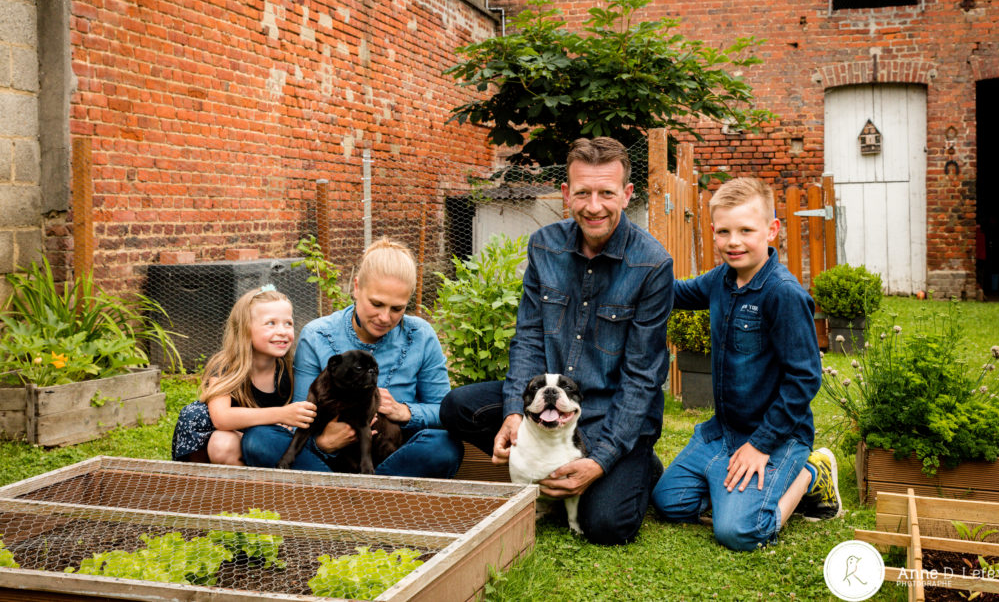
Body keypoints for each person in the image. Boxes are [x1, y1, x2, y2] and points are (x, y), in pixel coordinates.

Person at [441, 136, 675, 546]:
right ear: (566, 193)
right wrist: (514, 413)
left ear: (627, 194)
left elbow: (642, 379)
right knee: (458, 408)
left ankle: (636, 464)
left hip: (609, 414)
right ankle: (547, 457)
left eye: (607, 193)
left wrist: (599, 462)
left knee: (606, 526)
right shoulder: (544, 245)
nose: (594, 205)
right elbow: (529, 338)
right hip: (548, 403)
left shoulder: (652, 264)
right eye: (582, 192)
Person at [650, 177, 842, 551]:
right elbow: (675, 293)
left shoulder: (783, 294)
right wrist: (630, 276)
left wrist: (762, 444)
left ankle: (808, 473)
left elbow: (804, 378)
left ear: (772, 231)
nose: (733, 241)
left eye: (746, 230)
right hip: (725, 431)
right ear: (713, 233)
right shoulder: (723, 278)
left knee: (739, 532)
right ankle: (731, 480)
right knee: (668, 503)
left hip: (776, 436)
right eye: (724, 231)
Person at [241, 237, 463, 478]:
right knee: (258, 439)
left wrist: (405, 411)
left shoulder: (420, 335)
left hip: (395, 456)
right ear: (357, 288)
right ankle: (370, 499)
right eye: (376, 304)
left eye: (397, 308)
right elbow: (303, 414)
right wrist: (324, 443)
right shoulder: (318, 336)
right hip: (328, 459)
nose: (385, 317)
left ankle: (350, 497)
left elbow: (444, 412)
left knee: (444, 445)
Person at [172, 286, 315, 465]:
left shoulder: (290, 367)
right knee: (212, 432)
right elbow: (221, 418)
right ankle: (209, 485)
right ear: (245, 329)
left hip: (270, 440)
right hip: (233, 437)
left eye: (288, 323)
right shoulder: (226, 366)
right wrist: (281, 414)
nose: (282, 331)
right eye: (271, 323)